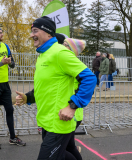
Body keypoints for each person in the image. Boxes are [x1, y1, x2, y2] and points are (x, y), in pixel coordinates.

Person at [15, 16, 96, 160]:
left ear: (48, 33)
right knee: (64, 153)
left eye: (35, 31)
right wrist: (28, 97)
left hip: (58, 122)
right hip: (46, 120)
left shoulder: (60, 52)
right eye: (31, 31)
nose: (31, 34)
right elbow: (46, 87)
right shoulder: (43, 55)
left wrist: (73, 106)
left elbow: (89, 78)